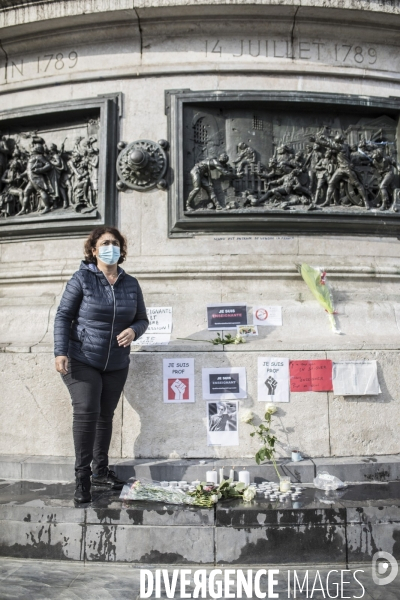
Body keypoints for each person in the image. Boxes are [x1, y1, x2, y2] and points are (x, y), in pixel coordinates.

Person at [54, 226, 149, 504]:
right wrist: (60, 352)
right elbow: (63, 316)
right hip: (81, 358)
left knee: (105, 416)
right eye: (105, 243)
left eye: (115, 243)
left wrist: (134, 331)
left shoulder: (130, 283)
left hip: (117, 362)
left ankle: (100, 472)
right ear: (94, 250)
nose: (111, 247)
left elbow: (142, 319)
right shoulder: (81, 278)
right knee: (87, 411)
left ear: (122, 249)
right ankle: (82, 477)